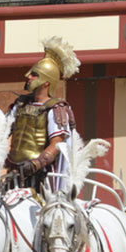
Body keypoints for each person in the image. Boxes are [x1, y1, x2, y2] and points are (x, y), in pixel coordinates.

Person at [4, 36, 80, 191]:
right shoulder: (19, 104)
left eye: (34, 74)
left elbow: (57, 144)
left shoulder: (55, 108)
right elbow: (2, 131)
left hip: (41, 177)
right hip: (14, 172)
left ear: (46, 82)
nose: (28, 77)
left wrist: (35, 164)